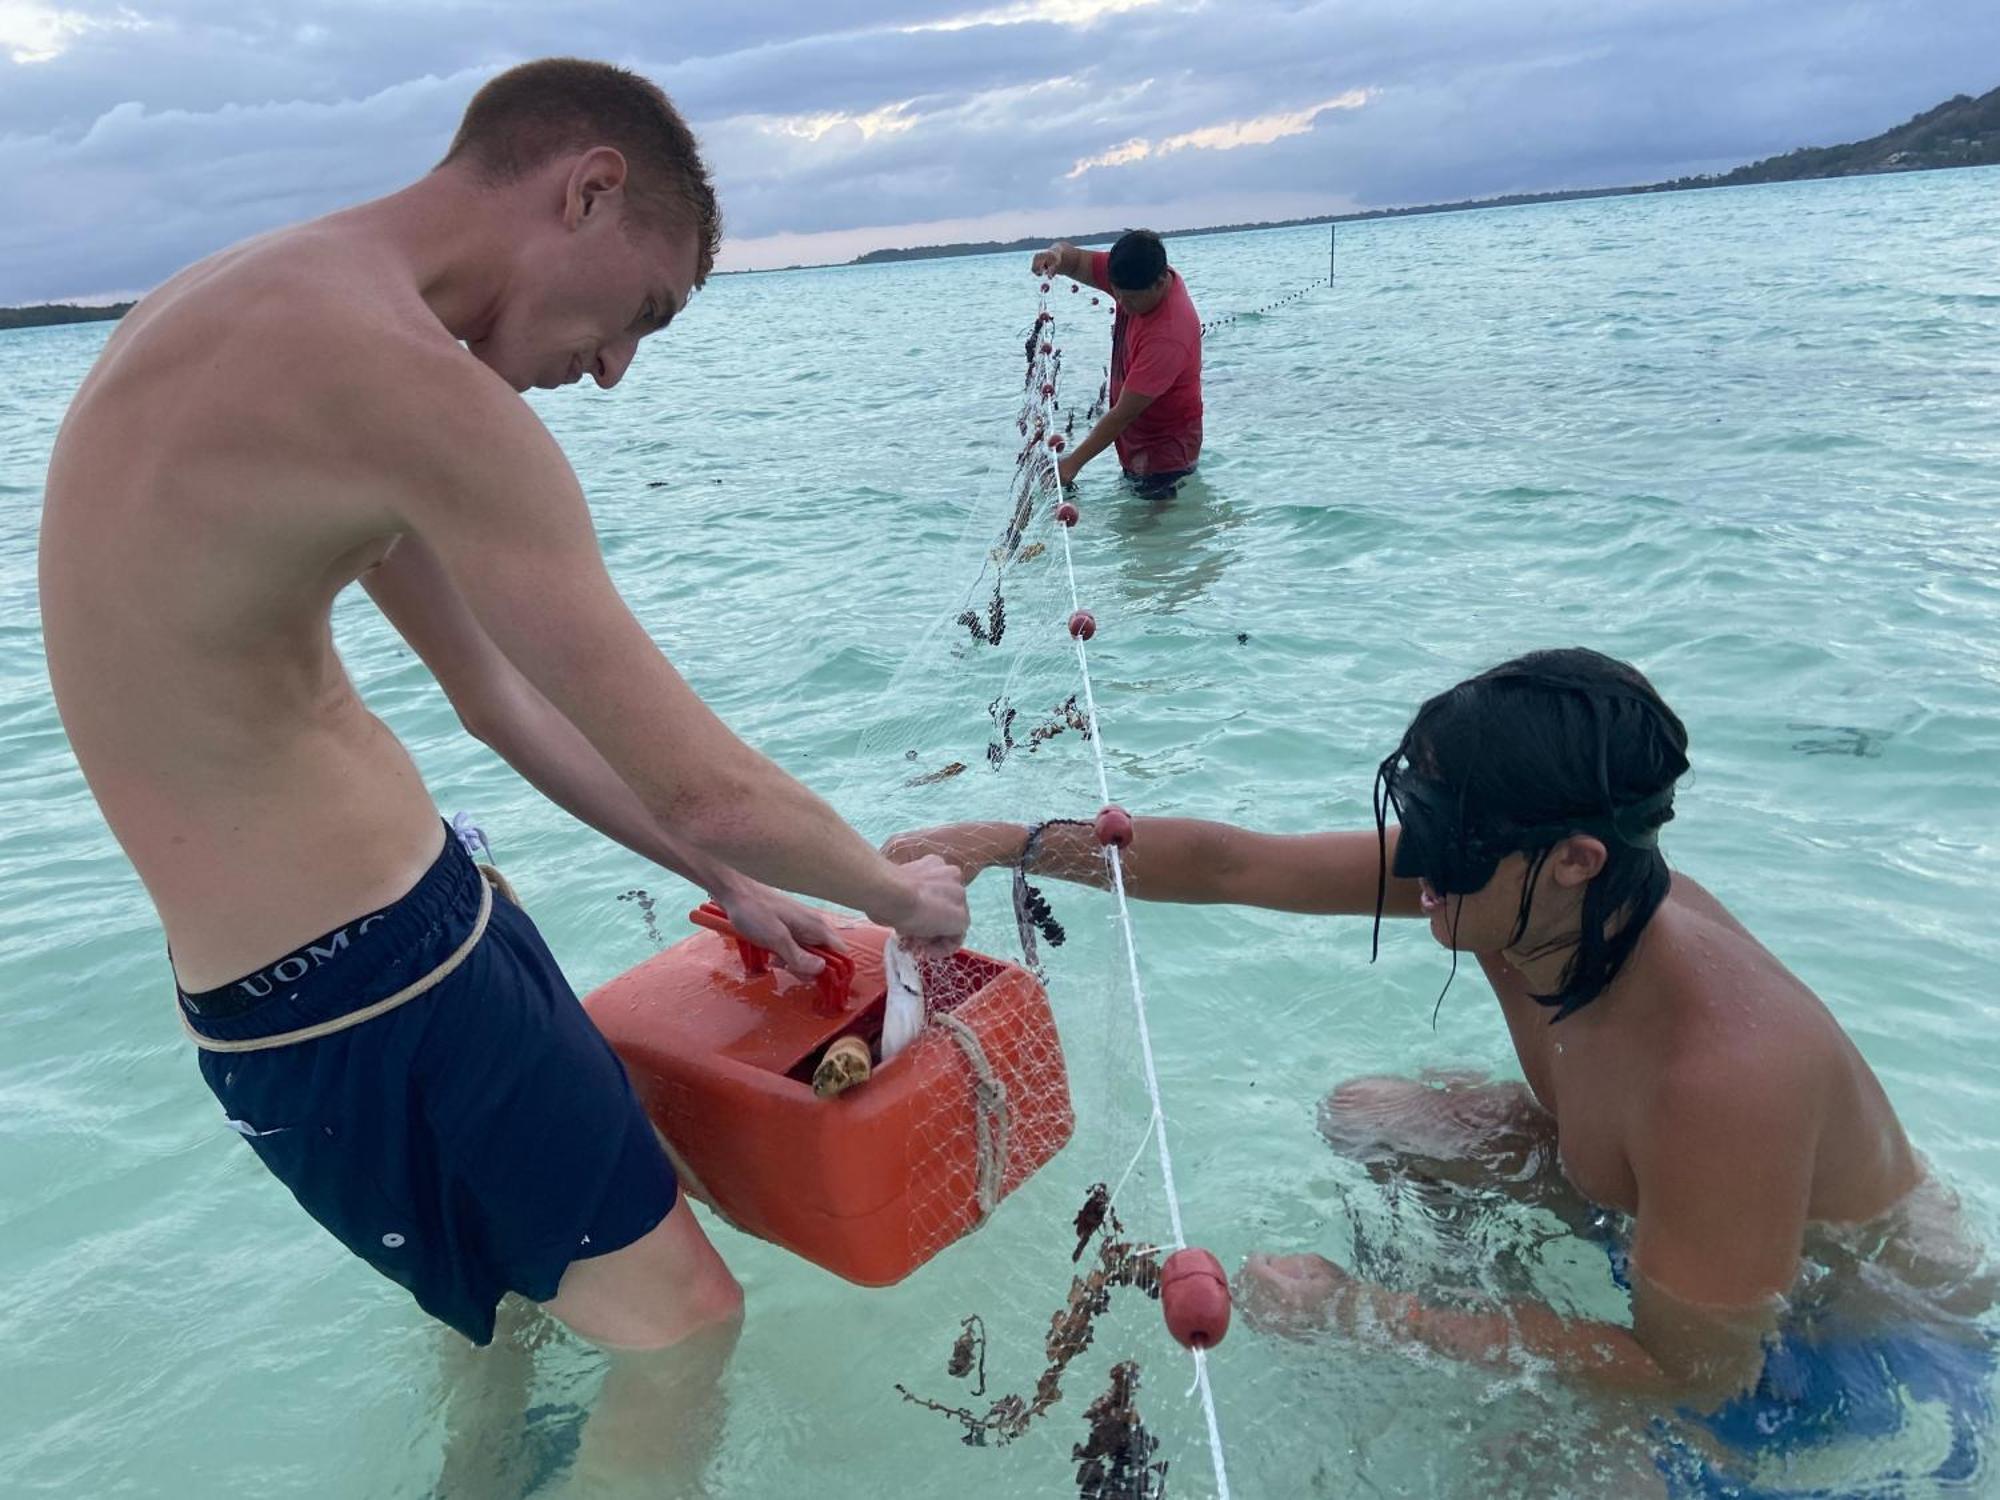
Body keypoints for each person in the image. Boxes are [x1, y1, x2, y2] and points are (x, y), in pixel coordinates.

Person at [39, 56, 967, 1487]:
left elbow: (501, 700)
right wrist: (896, 894)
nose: (610, 371)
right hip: (385, 982)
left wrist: (722, 883)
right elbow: (707, 778)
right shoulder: (417, 391)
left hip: (299, 996)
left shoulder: (248, 303)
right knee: (684, 1335)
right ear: (588, 188)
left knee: (509, 1317)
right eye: (638, 315)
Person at [887, 647, 1994, 1493]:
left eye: (1446, 843)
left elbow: (1693, 1371)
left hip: (1840, 1330)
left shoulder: (1721, 1074)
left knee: (1536, 1468)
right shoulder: (1523, 901)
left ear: (1575, 859)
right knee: (1373, 1119)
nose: (1418, 871)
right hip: (1663, 1223)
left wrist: (1374, 1315)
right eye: (1418, 821)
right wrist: (998, 843)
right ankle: (1514, 1302)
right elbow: (1236, 864)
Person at [1030, 229, 1202, 499]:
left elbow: (1123, 414)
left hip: (1166, 461)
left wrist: (1071, 466)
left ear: (1159, 283)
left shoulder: (1168, 335)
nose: (1121, 302)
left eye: (1130, 298)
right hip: (1134, 451)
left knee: (1153, 536)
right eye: (1117, 293)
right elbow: (1074, 260)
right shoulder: (1131, 274)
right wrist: (1055, 255)